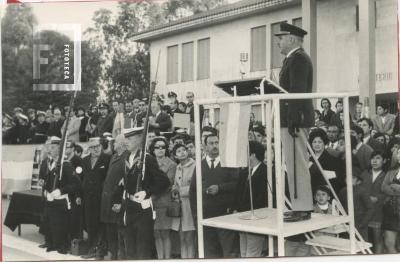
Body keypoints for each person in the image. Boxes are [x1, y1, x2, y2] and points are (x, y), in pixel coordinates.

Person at [275, 21, 314, 221]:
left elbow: (297, 92)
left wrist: (292, 120)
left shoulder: (298, 59)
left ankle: (303, 207)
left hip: (294, 120)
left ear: (291, 39)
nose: (278, 43)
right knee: (293, 163)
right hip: (292, 119)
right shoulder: (293, 58)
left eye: (280, 38)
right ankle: (300, 205)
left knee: (297, 163)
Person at [112, 127, 170, 259]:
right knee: (129, 247)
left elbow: (164, 182)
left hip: (142, 209)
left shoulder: (147, 159)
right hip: (128, 207)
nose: (126, 142)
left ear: (139, 140)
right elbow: (124, 182)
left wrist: (147, 192)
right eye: (125, 138)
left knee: (143, 248)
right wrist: (116, 201)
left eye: (130, 139)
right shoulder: (126, 157)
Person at [189, 132, 239, 258]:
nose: (214, 146)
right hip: (205, 217)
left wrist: (220, 188)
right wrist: (196, 215)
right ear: (205, 147)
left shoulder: (229, 163)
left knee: (228, 251)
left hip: (225, 215)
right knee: (209, 252)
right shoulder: (200, 165)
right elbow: (193, 191)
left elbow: (237, 184)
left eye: (217, 143)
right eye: (211, 143)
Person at [41, 136, 80, 254]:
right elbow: (48, 181)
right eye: (49, 148)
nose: (49, 150)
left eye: (52, 148)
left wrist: (61, 191)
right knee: (50, 223)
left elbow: (76, 184)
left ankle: (62, 245)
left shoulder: (66, 165)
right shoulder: (51, 163)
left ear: (59, 149)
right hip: (50, 200)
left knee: (61, 225)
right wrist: (45, 191)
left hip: (61, 202)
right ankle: (52, 243)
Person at [234, 141, 269, 258]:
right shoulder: (244, 172)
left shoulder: (266, 172)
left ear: (253, 155)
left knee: (252, 254)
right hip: (242, 218)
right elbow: (238, 194)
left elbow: (263, 197)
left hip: (257, 219)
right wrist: (237, 209)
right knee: (243, 253)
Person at [81, 137, 111, 259]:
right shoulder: (85, 160)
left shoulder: (108, 159)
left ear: (101, 146)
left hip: (101, 198)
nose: (96, 149)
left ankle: (100, 250)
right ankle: (91, 248)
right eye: (93, 147)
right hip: (88, 198)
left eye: (98, 146)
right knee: (90, 223)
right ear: (89, 149)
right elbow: (82, 178)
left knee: (101, 224)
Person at [100, 134, 128, 260]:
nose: (113, 144)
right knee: (110, 229)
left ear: (122, 144)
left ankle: (118, 256)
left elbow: (125, 179)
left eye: (115, 142)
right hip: (108, 199)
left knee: (118, 231)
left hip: (117, 199)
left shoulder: (126, 156)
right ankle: (112, 253)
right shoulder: (114, 157)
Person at [149, 137, 177, 259]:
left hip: (164, 202)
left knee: (165, 233)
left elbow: (167, 184)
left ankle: (167, 258)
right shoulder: (149, 163)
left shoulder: (171, 164)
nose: (160, 149)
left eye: (163, 147)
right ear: (153, 150)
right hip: (151, 203)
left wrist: (151, 197)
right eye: (157, 147)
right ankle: (160, 258)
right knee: (156, 234)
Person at [171, 143, 196, 258]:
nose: (182, 152)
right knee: (181, 238)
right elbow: (175, 185)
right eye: (179, 151)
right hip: (179, 208)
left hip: (189, 207)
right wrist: (174, 190)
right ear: (175, 156)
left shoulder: (195, 166)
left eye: (184, 150)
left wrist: (180, 190)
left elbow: (194, 187)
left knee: (189, 238)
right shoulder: (177, 167)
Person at [361, 151, 386, 254]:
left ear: (384, 161)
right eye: (372, 158)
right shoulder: (364, 173)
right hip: (364, 212)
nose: (374, 161)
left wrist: (378, 198)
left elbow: (389, 193)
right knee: (364, 241)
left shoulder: (386, 175)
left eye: (378, 158)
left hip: (378, 212)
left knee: (377, 240)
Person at [308, 128, 344, 195]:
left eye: (320, 142)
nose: (317, 144)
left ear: (324, 142)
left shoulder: (333, 160)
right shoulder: (308, 159)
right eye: (314, 142)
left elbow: (339, 179)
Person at [339, 170, 373, 240]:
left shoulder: (362, 191)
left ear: (358, 181)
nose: (349, 180)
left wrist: (363, 223)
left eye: (353, 178)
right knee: (346, 243)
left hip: (359, 223)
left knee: (361, 244)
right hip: (346, 224)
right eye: (347, 177)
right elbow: (340, 208)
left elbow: (370, 208)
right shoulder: (342, 191)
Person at [381, 147, 400, 253]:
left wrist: (394, 187)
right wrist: (396, 190)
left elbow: (389, 187)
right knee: (388, 243)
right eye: (399, 153)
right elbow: (383, 187)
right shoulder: (392, 171)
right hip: (390, 210)